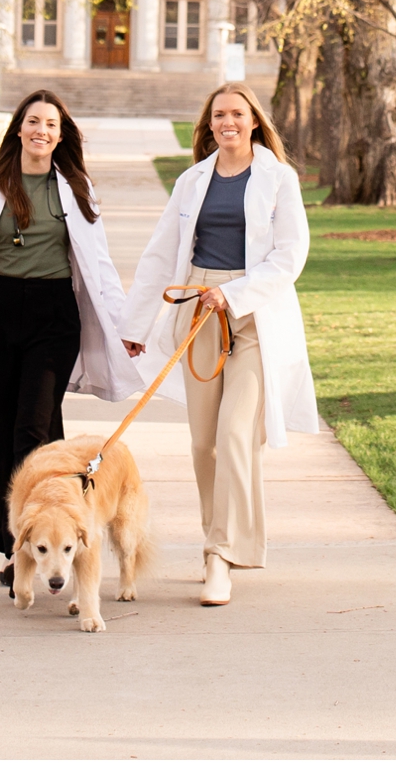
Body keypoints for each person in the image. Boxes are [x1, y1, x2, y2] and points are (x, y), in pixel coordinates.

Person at [0, 89, 136, 587]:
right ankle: (16, 543)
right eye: (34, 121)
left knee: (33, 431)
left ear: (61, 136)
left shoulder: (76, 188)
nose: (42, 131)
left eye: (51, 124)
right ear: (18, 128)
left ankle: (55, 533)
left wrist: (126, 327)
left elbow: (100, 266)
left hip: (53, 316)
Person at [119, 81, 317, 606]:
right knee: (203, 442)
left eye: (237, 113)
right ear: (209, 125)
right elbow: (162, 254)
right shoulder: (192, 181)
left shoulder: (278, 178)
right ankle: (220, 539)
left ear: (254, 121)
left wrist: (235, 295)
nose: (227, 121)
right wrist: (136, 325)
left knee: (234, 435)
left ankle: (220, 555)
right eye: (218, 114)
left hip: (255, 315)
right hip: (199, 310)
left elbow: (290, 255)